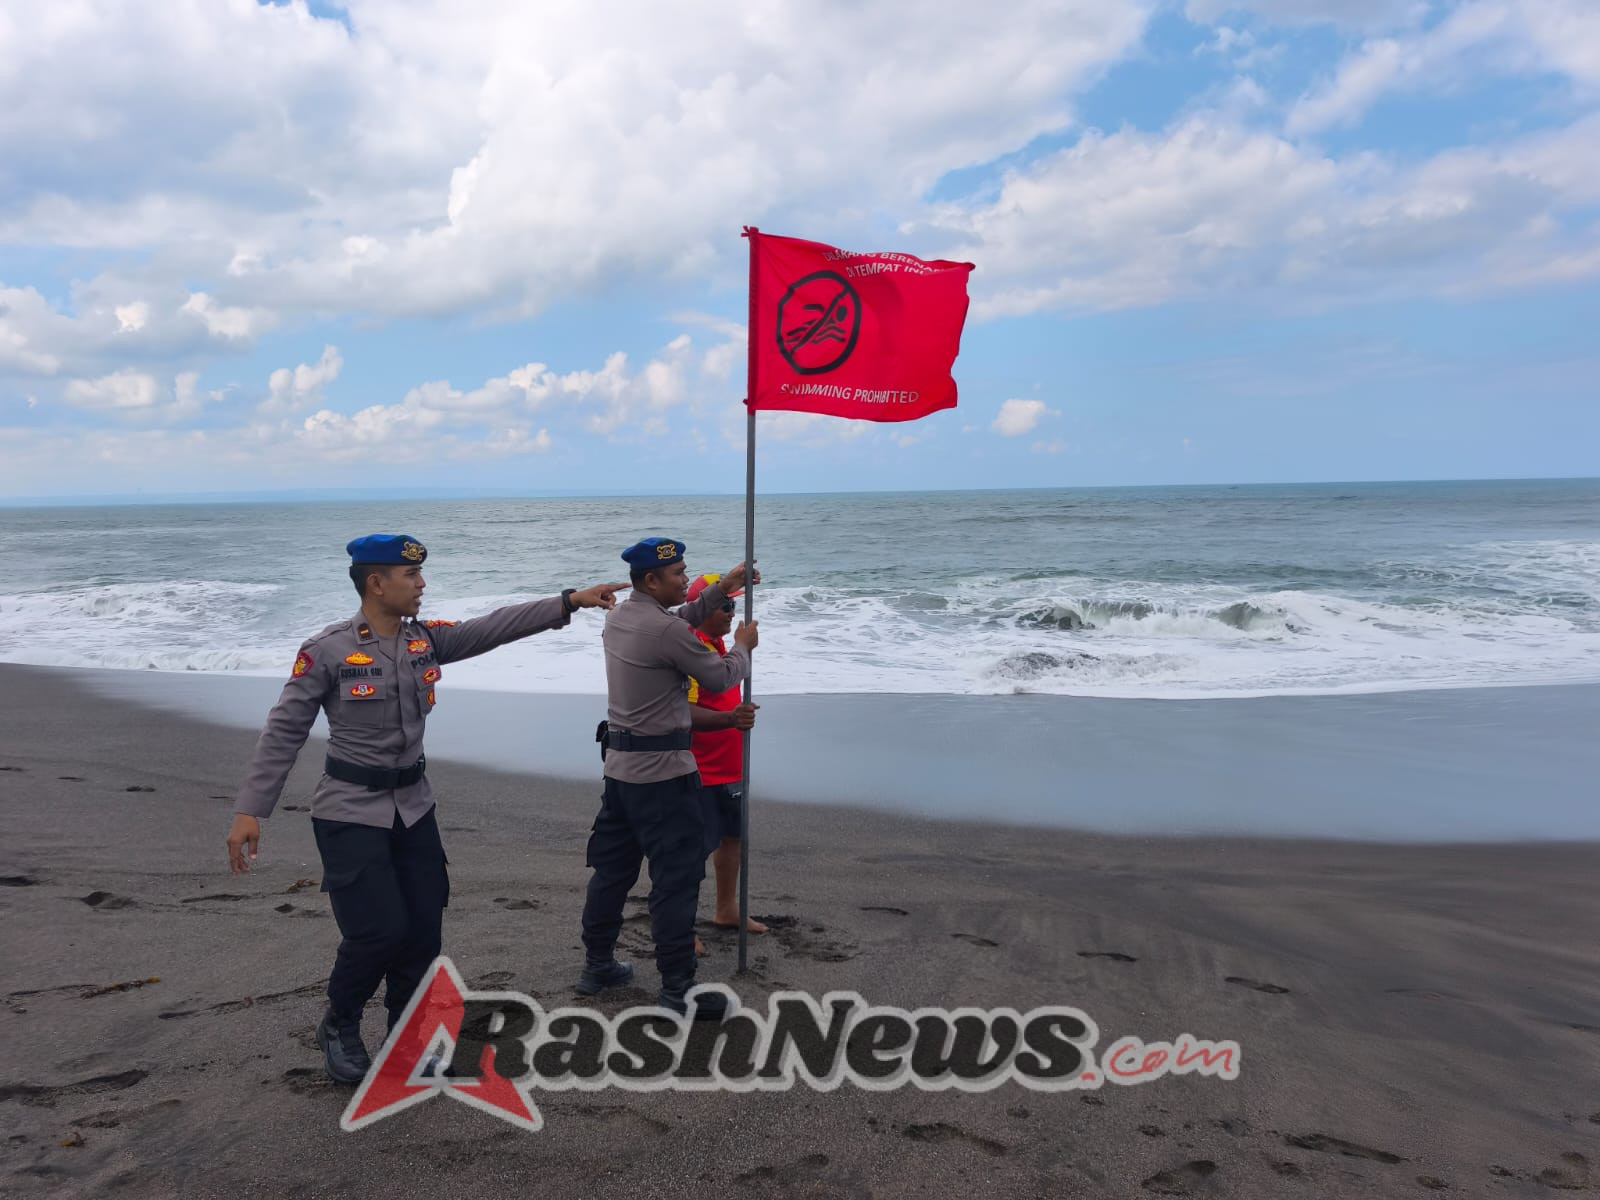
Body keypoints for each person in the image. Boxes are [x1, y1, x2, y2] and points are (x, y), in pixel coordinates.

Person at [224, 534, 626, 1084]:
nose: (422, 584)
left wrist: (568, 602)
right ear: (376, 583)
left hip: (414, 808)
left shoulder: (424, 643)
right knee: (376, 931)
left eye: (421, 575)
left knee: (421, 930)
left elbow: (493, 627)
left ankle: (406, 1037)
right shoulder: (329, 649)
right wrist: (252, 808)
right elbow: (284, 730)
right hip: (349, 812)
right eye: (410, 576)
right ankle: (339, 1026)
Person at [577, 538, 758, 1020]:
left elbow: (686, 615)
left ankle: (596, 965)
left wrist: (726, 586)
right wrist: (741, 648)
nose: (684, 578)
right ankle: (679, 991)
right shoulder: (666, 631)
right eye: (677, 573)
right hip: (663, 777)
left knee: (612, 873)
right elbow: (719, 678)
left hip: (620, 772)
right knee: (675, 882)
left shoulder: (622, 618)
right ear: (651, 581)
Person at [684, 573, 767, 947]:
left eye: (735, 604)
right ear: (701, 608)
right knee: (691, 848)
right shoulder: (691, 647)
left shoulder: (719, 644)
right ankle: (681, 925)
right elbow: (684, 712)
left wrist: (739, 649)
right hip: (700, 767)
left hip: (732, 762)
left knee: (733, 838)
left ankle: (726, 907)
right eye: (726, 606)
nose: (732, 612)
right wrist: (741, 648)